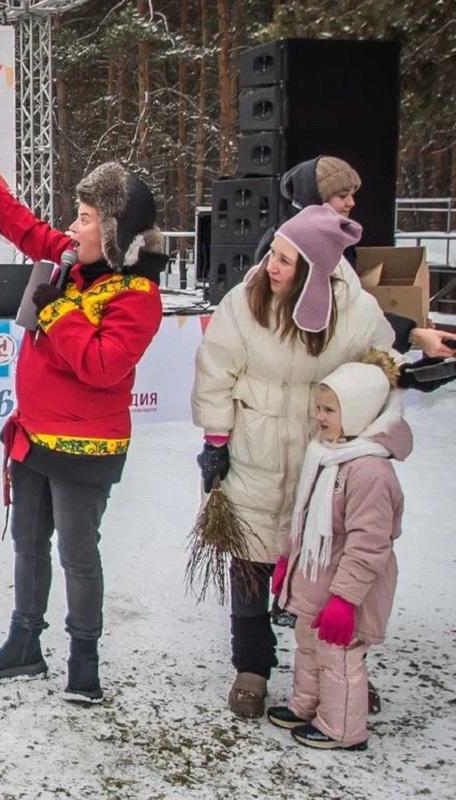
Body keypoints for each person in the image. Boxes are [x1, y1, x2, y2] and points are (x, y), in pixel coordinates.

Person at [0, 162, 168, 703]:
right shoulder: (70, 264)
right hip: (34, 438)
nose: (71, 227)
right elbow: (26, 228)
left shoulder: (136, 295)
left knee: (77, 555)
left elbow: (102, 364)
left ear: (112, 236)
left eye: (86, 218)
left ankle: (83, 662)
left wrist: (58, 311)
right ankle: (25, 643)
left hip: (86, 450)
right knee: (27, 544)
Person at [192, 204, 397, 718]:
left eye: (285, 259)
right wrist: (216, 441)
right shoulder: (245, 301)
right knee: (248, 564)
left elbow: (379, 373)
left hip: (323, 458)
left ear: (315, 272)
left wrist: (361, 435)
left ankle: (339, 671)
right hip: (253, 449)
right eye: (273, 254)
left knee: (326, 569)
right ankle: (252, 668)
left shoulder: (356, 312)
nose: (270, 266)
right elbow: (215, 368)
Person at [266, 355, 409, 750]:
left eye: (330, 410)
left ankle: (341, 729)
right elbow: (305, 516)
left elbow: (369, 543)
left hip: (347, 587)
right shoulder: (326, 455)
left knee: (339, 657)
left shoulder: (369, 472)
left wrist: (345, 600)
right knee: (309, 645)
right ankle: (306, 705)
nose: (321, 417)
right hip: (315, 579)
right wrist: (286, 560)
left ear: (360, 412)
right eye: (319, 408)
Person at [254, 155, 454, 360]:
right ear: (314, 197)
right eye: (342, 195)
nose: (351, 202)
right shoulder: (286, 245)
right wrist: (412, 333)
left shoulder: (332, 240)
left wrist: (413, 325)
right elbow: (330, 315)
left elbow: (347, 303)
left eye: (352, 194)